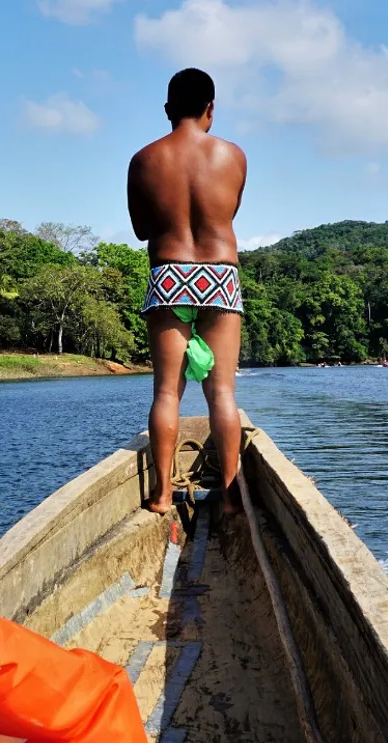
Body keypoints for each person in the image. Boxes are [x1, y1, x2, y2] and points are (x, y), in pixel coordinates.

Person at [127, 67, 248, 517]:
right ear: (210, 109)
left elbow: (143, 229)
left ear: (166, 110)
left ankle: (160, 496)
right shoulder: (233, 156)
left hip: (168, 273)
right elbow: (227, 211)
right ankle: (232, 496)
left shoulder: (144, 159)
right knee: (222, 395)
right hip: (219, 272)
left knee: (166, 393)